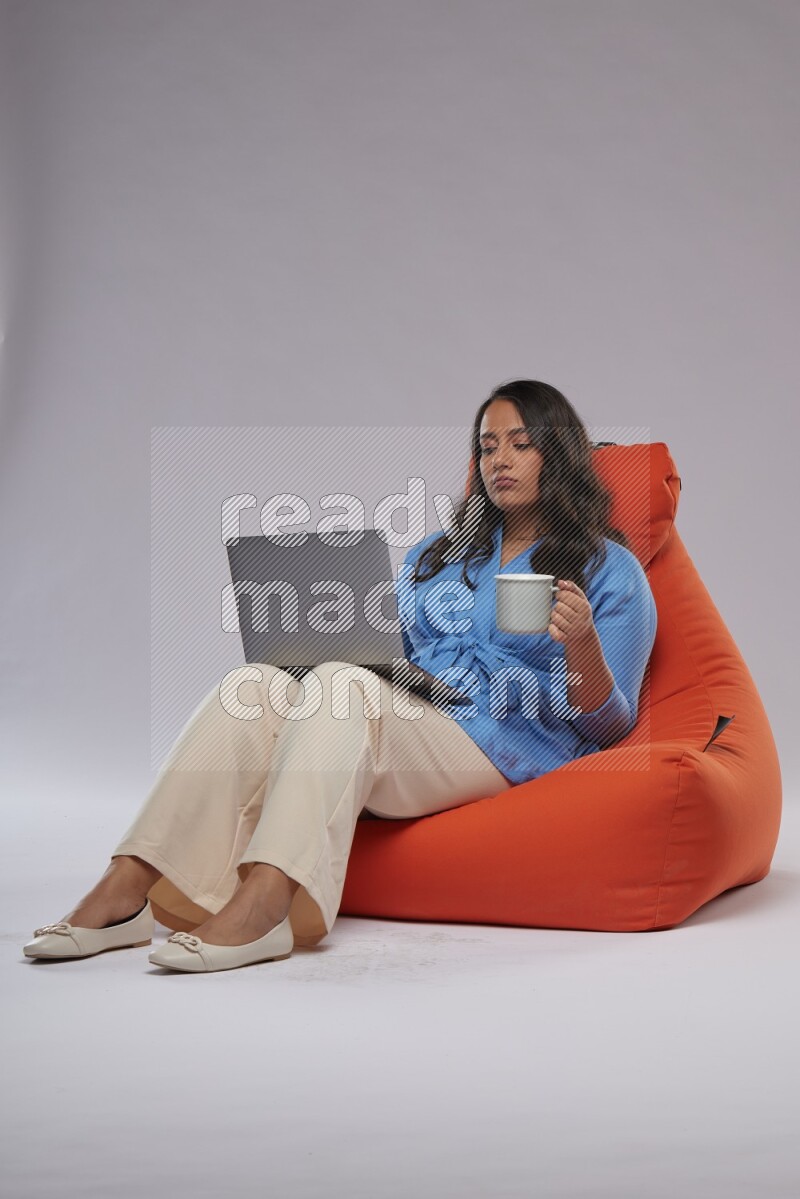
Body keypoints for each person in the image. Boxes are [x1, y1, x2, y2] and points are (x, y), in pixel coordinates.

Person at [23, 379, 657, 973]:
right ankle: (129, 885)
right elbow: (390, 655)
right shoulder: (436, 555)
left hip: (507, 741)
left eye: (522, 444)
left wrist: (581, 646)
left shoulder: (611, 568)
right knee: (258, 687)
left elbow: (610, 723)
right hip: (420, 711)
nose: (499, 460)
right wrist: (352, 649)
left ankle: (267, 904)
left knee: (342, 684)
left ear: (561, 456)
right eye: (487, 446)